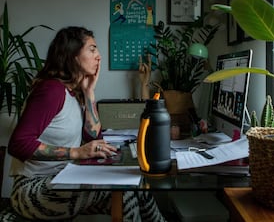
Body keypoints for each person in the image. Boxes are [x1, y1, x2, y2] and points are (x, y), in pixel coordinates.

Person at [8, 27, 166, 221]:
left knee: (139, 186)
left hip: (61, 179)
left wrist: (90, 92)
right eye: (92, 49)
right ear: (73, 55)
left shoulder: (73, 94)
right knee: (124, 189)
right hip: (33, 191)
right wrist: (76, 152)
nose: (99, 56)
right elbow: (18, 144)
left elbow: (94, 138)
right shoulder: (51, 90)